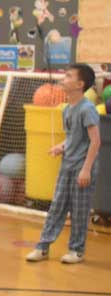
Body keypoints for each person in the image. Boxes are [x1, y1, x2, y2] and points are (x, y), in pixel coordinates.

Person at [26, 63, 102, 264]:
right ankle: (43, 247)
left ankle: (76, 250)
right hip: (67, 166)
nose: (63, 78)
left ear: (79, 84)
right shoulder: (67, 109)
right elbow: (73, 137)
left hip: (82, 168)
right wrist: (61, 146)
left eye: (68, 76)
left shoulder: (87, 109)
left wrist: (86, 170)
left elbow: (95, 141)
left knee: (79, 211)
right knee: (56, 207)